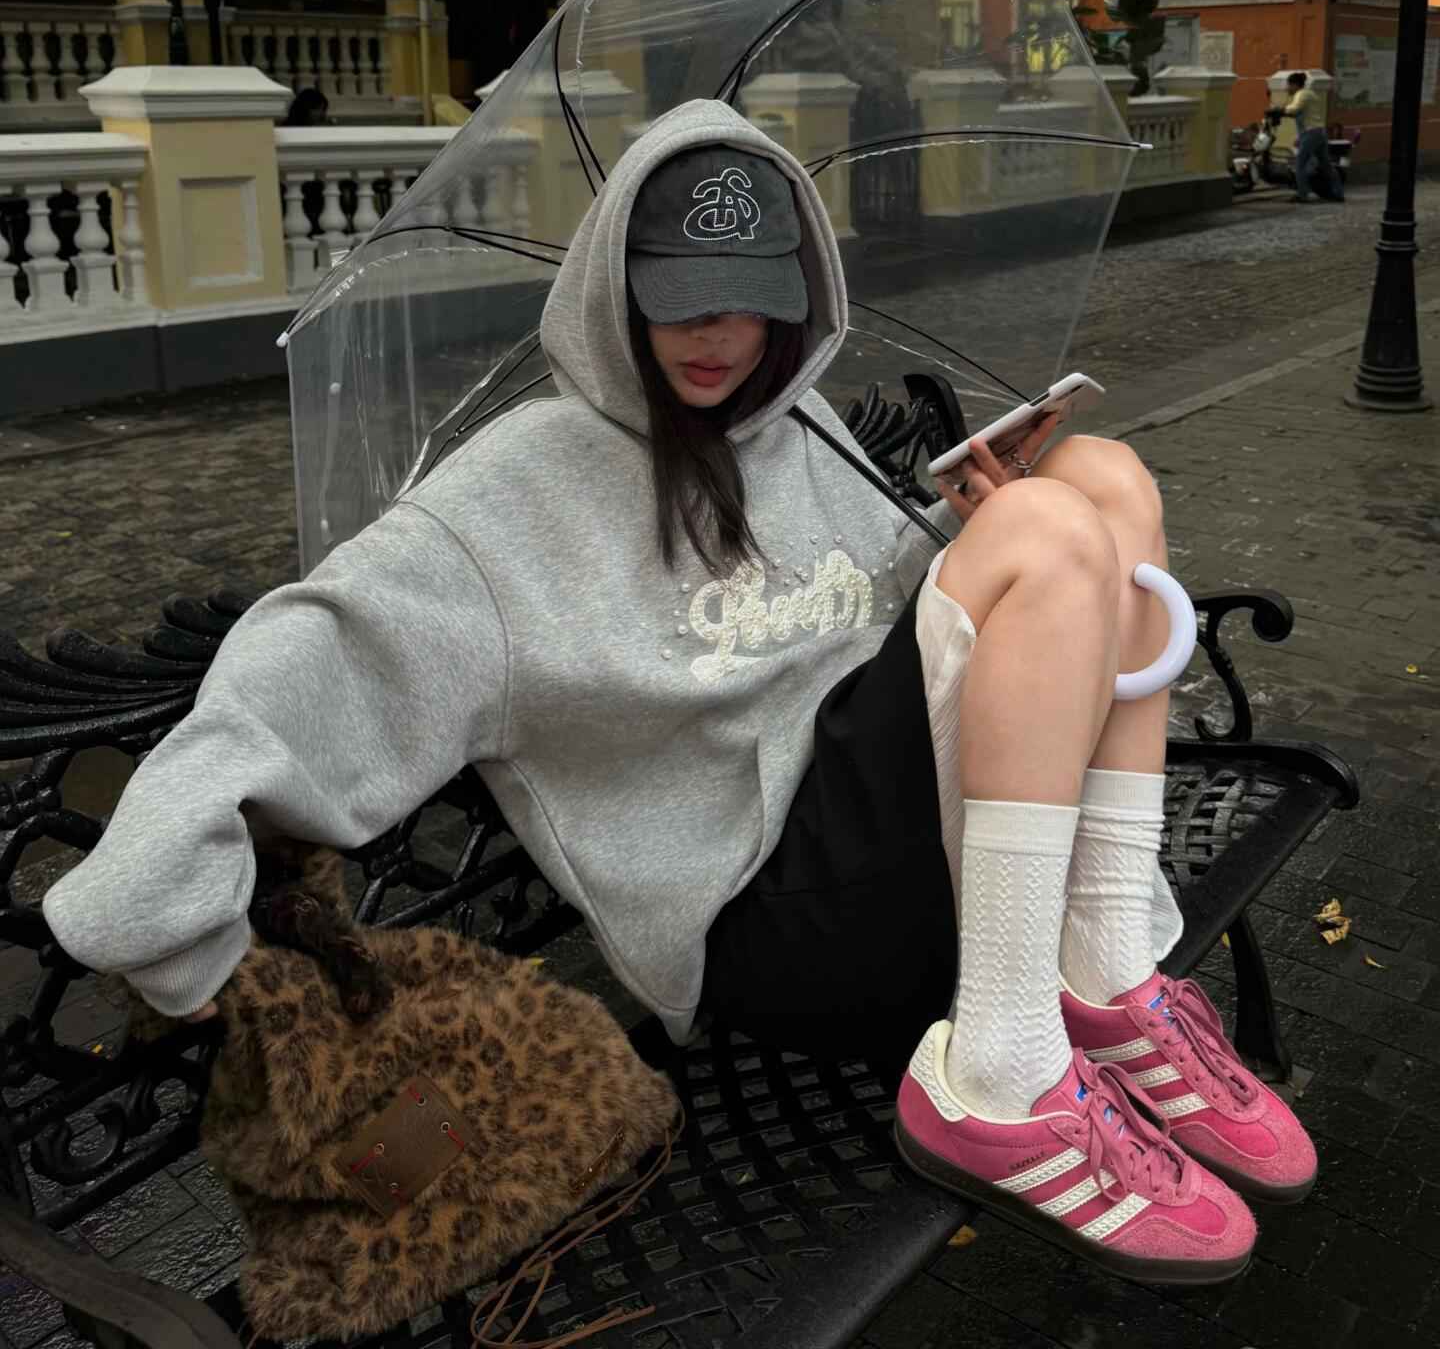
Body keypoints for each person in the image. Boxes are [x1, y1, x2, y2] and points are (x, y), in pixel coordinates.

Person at [40, 98, 1313, 1286]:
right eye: (682, 301)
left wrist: (968, 536)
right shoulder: (508, 502)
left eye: (753, 304)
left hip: (900, 857)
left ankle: (1108, 973)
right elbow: (303, 664)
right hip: (767, 921)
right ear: (617, 289)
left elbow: (858, 620)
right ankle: (1003, 1072)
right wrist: (163, 912)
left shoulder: (793, 424)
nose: (719, 338)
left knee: (1101, 476)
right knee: (1053, 525)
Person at [1280, 71, 1343, 204]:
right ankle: (1338, 193)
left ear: (1295, 84)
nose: (1287, 88)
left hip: (1310, 133)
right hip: (1319, 132)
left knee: (1300, 164)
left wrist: (1280, 110)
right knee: (1326, 165)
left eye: (1289, 85)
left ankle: (1302, 194)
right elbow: (1303, 114)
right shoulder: (1310, 94)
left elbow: (1295, 109)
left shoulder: (1301, 94)